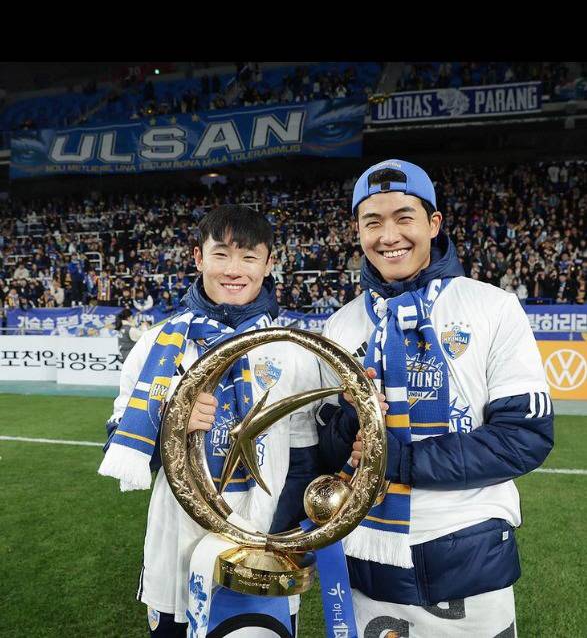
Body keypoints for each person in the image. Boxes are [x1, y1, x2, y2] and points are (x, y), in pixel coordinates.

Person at [317, 159, 554, 637]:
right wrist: (351, 423)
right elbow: (327, 449)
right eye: (372, 222)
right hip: (368, 561)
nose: (389, 236)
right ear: (357, 231)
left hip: (469, 555)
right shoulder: (340, 326)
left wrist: (399, 460)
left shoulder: (493, 307)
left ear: (434, 223)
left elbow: (523, 438)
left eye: (404, 217)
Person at [99, 205, 321, 637]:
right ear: (199, 258)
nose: (233, 270)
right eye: (221, 254)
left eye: (249, 256)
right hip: (176, 544)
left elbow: (304, 461)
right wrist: (171, 426)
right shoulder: (156, 346)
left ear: (269, 264)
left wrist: (267, 540)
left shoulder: (293, 351)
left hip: (263, 542)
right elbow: (123, 450)